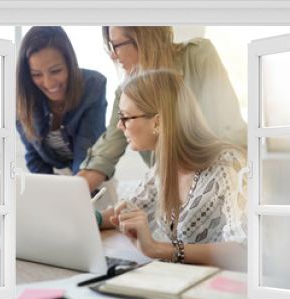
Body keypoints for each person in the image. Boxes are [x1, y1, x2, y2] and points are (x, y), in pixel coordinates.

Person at [95, 70, 248, 270]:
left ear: (157, 122)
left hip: (222, 289)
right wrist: (92, 218)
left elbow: (244, 251)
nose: (119, 126)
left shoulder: (229, 164)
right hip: (180, 280)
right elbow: (129, 211)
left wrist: (159, 249)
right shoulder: (162, 168)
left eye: (125, 117)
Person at [77, 26, 247, 192]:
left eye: (116, 46)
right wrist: (69, 194)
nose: (113, 55)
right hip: (174, 193)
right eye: (109, 47)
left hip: (220, 184)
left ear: (142, 38)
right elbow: (105, 154)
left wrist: (238, 189)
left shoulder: (197, 55)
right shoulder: (125, 92)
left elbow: (230, 131)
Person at [16, 26, 107, 175]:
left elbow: (86, 152)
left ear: (70, 64)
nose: (49, 83)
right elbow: (34, 157)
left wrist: (78, 191)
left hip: (91, 170)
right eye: (37, 74)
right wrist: (49, 192)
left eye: (56, 71)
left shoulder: (93, 86)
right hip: (56, 174)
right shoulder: (23, 100)